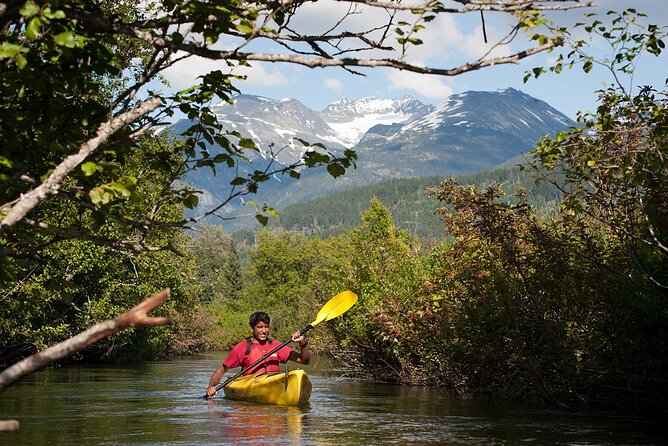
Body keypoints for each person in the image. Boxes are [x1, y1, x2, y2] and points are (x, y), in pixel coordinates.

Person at [206, 311, 310, 398]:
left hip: (274, 382)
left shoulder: (276, 345)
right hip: (251, 384)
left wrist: (302, 343)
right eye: (260, 327)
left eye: (266, 327)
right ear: (252, 329)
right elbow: (222, 369)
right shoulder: (242, 348)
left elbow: (305, 361)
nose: (264, 331)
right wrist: (211, 387)